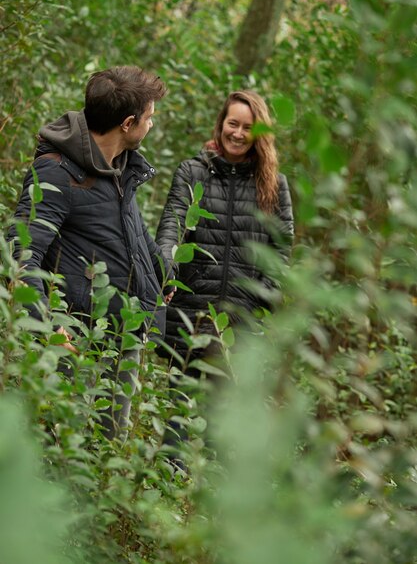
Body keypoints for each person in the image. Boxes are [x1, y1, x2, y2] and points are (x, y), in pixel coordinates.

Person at [9, 65, 174, 439]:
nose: (152, 124)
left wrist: (160, 269)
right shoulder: (56, 173)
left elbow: (129, 226)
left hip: (122, 335)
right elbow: (21, 255)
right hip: (78, 341)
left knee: (109, 448)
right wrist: (47, 325)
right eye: (149, 118)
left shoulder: (119, 164)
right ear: (128, 123)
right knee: (61, 448)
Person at [156, 90, 294, 365]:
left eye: (248, 127)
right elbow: (173, 223)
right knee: (183, 403)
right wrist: (166, 267)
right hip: (191, 313)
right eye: (233, 124)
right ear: (221, 124)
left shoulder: (273, 185)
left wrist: (264, 297)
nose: (238, 134)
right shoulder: (192, 172)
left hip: (242, 320)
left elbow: (281, 249)